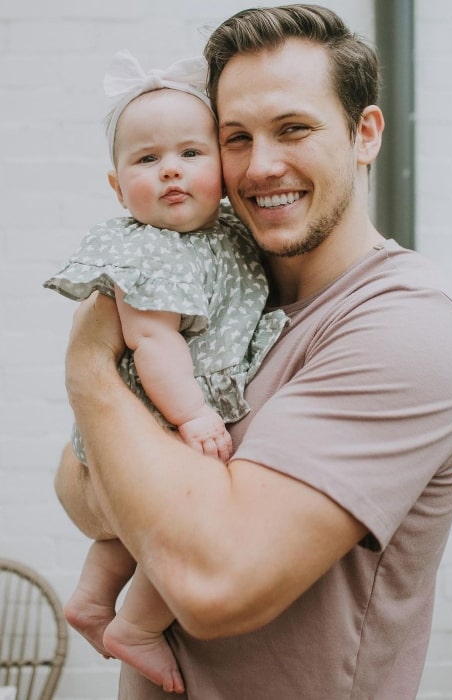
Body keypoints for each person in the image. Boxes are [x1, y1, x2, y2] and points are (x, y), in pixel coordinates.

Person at [54, 5, 452, 699]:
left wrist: (88, 364)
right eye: (234, 138)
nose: (261, 166)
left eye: (294, 129)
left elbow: (213, 584)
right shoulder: (222, 293)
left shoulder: (409, 329)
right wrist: (159, 494)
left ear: (364, 134)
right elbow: (78, 494)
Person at [44, 48, 288, 694]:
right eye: (148, 161)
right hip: (161, 408)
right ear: (118, 187)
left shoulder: (227, 233)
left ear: (221, 168)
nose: (172, 172)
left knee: (132, 530)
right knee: (176, 521)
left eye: (190, 154)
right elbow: (154, 345)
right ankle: (138, 625)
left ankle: (94, 599)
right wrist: (194, 415)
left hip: (170, 409)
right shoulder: (150, 252)